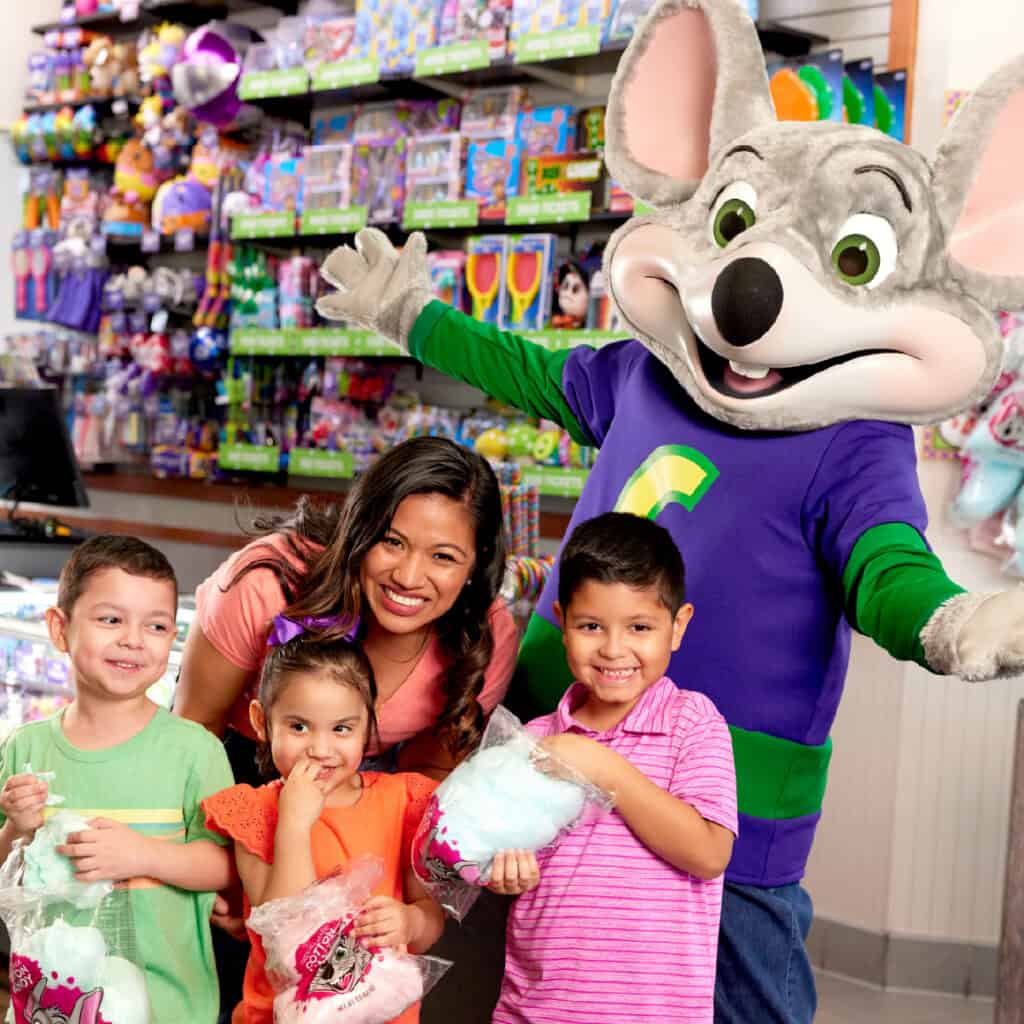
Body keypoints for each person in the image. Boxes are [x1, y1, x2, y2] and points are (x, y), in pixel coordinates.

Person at [177, 436, 515, 1022]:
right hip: (237, 772)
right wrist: (213, 870)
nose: (410, 576)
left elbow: (427, 782)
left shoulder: (482, 638)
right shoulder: (266, 584)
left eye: (443, 556)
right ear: (360, 528)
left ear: (476, 561)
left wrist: (407, 902)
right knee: (244, 979)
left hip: (372, 797)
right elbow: (192, 734)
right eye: (393, 541)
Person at [487, 512, 737, 1024]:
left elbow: (709, 853)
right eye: (591, 626)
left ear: (678, 626)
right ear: (562, 621)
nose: (614, 649)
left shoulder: (693, 723)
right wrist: (502, 872)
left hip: (653, 1014)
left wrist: (604, 766)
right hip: (537, 1010)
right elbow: (488, 858)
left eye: (640, 627)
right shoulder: (533, 741)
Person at [0, 535, 234, 1023]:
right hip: (51, 1004)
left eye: (156, 625)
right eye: (111, 620)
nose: (134, 639)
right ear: (60, 629)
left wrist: (139, 855)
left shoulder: (196, 751)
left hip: (170, 1006)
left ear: (174, 638)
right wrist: (15, 830)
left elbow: (228, 868)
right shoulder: (26, 747)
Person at [202, 630, 445, 1024]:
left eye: (341, 729)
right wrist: (294, 824)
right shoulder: (256, 809)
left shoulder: (405, 802)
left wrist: (410, 921)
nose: (320, 748)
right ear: (262, 722)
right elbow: (281, 932)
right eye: (299, 727)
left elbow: (430, 914)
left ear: (370, 723)